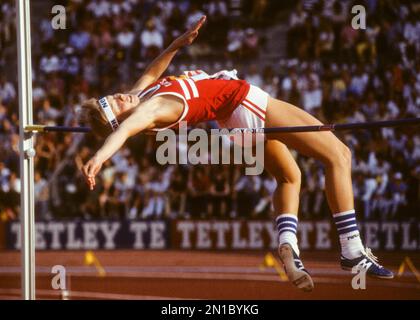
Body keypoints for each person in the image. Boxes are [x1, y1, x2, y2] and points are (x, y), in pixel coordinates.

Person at [79, 16, 393, 292]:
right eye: (116, 105)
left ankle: (288, 246)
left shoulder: (139, 95)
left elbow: (151, 71)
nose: (120, 96)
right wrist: (101, 156)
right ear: (119, 119)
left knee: (289, 177)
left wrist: (176, 44)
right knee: (339, 154)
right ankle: (352, 249)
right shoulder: (150, 110)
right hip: (243, 102)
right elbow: (123, 131)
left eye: (113, 97)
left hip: (233, 122)